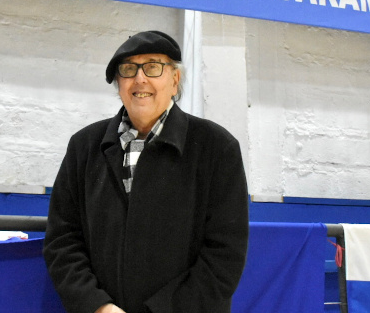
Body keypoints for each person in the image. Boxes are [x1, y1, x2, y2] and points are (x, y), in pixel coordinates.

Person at [43, 30, 249, 313]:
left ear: (175, 80)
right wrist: (96, 305)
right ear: (118, 84)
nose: (140, 78)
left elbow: (225, 255)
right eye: (128, 69)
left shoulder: (216, 148)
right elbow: (62, 241)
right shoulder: (84, 147)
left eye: (153, 67)